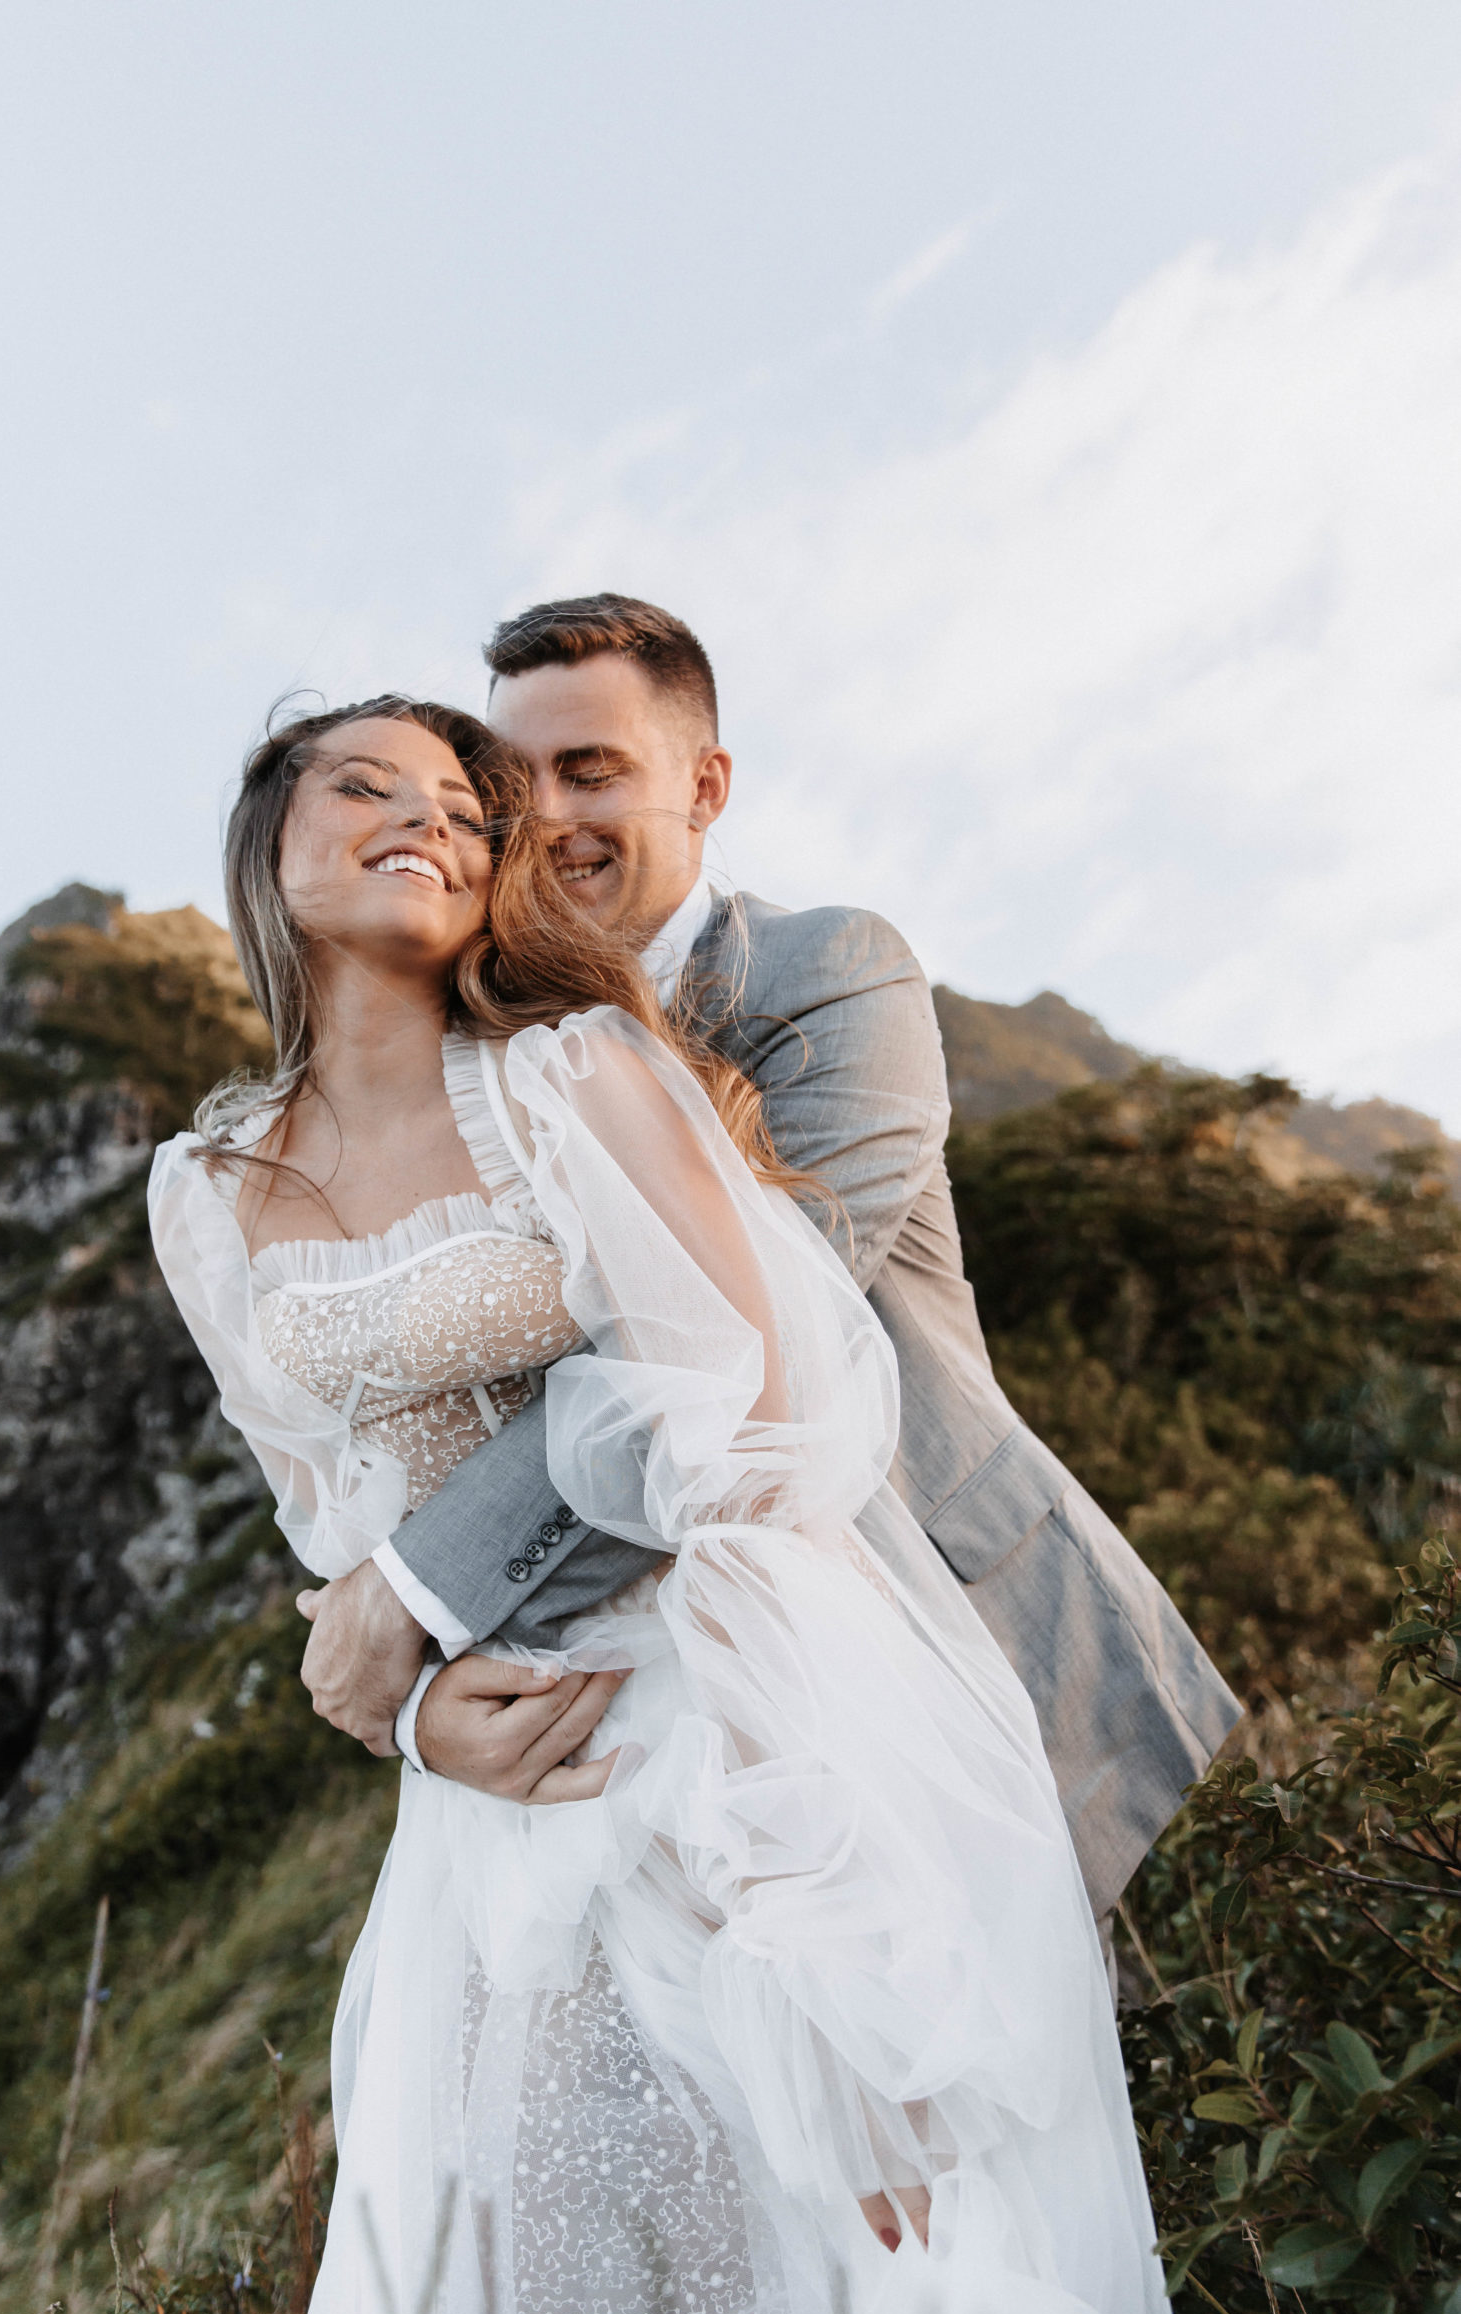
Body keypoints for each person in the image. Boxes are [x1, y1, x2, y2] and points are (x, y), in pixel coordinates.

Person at [149, 688, 1459, 2314]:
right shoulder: (204, 1194)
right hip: (488, 1833)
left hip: (717, 1743)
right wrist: (417, 1716)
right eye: (366, 787)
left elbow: (748, 1431)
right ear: (270, 849)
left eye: (460, 803)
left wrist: (830, 1949)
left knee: (834, 2311)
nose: (426, 819)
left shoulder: (573, 1075)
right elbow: (330, 1527)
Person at [296, 596, 1239, 1929]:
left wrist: (417, 1600)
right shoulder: (478, 1056)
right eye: (512, 787)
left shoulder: (827, 978)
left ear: (705, 787)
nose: (546, 820)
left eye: (591, 772)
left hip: (973, 1657)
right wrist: (429, 1701)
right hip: (681, 1743)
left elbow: (724, 1359)